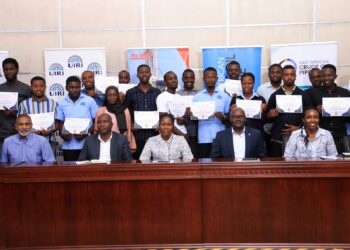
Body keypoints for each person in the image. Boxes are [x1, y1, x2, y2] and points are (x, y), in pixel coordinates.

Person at [266, 65, 311, 157]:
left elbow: (310, 116)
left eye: (292, 74)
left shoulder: (304, 95)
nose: (289, 77)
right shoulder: (274, 95)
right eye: (286, 74)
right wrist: (269, 115)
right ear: (282, 76)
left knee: (297, 168)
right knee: (277, 168)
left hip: (299, 137)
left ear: (295, 76)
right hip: (278, 139)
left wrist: (299, 128)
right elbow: (266, 119)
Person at [55, 76, 99, 161]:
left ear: (80, 87)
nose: (75, 90)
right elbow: (60, 122)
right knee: (70, 172)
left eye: (77, 87)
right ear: (66, 88)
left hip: (87, 144)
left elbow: (96, 120)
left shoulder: (89, 101)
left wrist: (86, 133)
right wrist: (62, 135)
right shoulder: (62, 103)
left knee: (87, 171)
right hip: (68, 146)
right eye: (71, 87)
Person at [191, 67, 231, 158]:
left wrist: (223, 117)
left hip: (221, 137)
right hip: (203, 137)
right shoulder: (197, 97)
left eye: (213, 77)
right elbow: (194, 117)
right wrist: (191, 114)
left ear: (217, 79)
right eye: (208, 77)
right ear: (203, 79)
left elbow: (230, 116)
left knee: (221, 165)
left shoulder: (225, 96)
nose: (210, 79)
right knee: (205, 165)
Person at [310, 64, 350, 153]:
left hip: (340, 136)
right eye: (324, 75)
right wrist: (316, 111)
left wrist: (346, 111)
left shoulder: (345, 93)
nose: (326, 78)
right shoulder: (314, 93)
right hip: (320, 135)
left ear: (335, 76)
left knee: (339, 164)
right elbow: (308, 112)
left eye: (329, 75)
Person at [124, 64, 161, 159]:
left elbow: (161, 110)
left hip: (154, 134)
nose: (144, 74)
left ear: (150, 74)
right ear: (137, 75)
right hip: (137, 135)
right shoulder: (130, 92)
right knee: (138, 161)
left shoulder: (157, 92)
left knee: (154, 160)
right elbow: (126, 111)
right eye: (141, 72)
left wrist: (159, 123)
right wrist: (130, 124)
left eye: (146, 72)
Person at [18, 76, 58, 153]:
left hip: (49, 141)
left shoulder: (54, 103)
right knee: (31, 164)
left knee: (50, 164)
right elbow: (19, 124)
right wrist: (30, 131)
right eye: (35, 86)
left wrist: (50, 130)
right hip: (29, 142)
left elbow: (57, 123)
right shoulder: (24, 104)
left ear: (45, 87)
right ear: (31, 87)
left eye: (41, 86)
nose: (38, 89)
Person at [0, 58, 31, 154]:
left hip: (22, 133)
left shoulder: (26, 89)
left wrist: (16, 114)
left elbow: (32, 111)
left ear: (17, 70)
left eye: (12, 69)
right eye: (6, 69)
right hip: (2, 134)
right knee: (4, 165)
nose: (9, 71)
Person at [95, 86, 136, 152]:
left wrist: (128, 144)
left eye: (115, 95)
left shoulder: (125, 110)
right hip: (104, 143)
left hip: (121, 143)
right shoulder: (100, 110)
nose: (112, 97)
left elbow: (128, 129)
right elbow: (96, 130)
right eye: (109, 95)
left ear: (118, 96)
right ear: (106, 97)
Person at [256, 64, 283, 155]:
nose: (275, 75)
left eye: (278, 72)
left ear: (282, 74)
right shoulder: (261, 89)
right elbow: (258, 110)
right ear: (269, 74)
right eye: (272, 72)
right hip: (267, 129)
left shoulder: (287, 87)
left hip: (285, 129)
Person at [156, 71, 187, 137]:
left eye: (175, 78)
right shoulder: (162, 97)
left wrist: (184, 120)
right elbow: (165, 121)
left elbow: (184, 117)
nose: (174, 80)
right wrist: (181, 135)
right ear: (165, 82)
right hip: (169, 135)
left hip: (183, 132)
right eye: (170, 79)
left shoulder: (180, 97)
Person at [177, 69, 199, 158]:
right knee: (181, 156)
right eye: (186, 78)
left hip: (196, 129)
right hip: (180, 130)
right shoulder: (177, 94)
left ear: (194, 79)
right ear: (182, 79)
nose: (189, 80)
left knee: (194, 155)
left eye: (191, 78)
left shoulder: (200, 94)